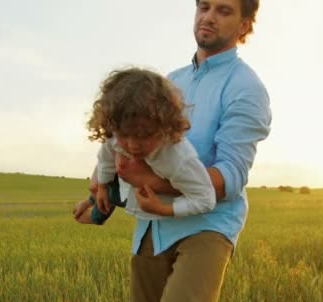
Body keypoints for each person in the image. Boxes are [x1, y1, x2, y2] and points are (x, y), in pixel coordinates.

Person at [111, 0, 272, 302]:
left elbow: (230, 176)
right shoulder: (168, 82)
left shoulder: (246, 87)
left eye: (224, 11)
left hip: (207, 227)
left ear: (245, 26)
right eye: (204, 6)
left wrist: (151, 182)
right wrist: (103, 191)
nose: (209, 17)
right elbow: (131, 146)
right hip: (152, 227)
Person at [74, 67, 217, 225]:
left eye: (145, 136)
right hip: (121, 181)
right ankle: (90, 203)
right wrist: (101, 187)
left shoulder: (178, 158)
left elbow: (206, 199)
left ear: (166, 127)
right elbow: (106, 158)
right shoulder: (116, 130)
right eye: (124, 135)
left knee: (113, 193)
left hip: (146, 195)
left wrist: (163, 209)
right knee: (106, 187)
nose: (133, 146)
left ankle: (93, 211)